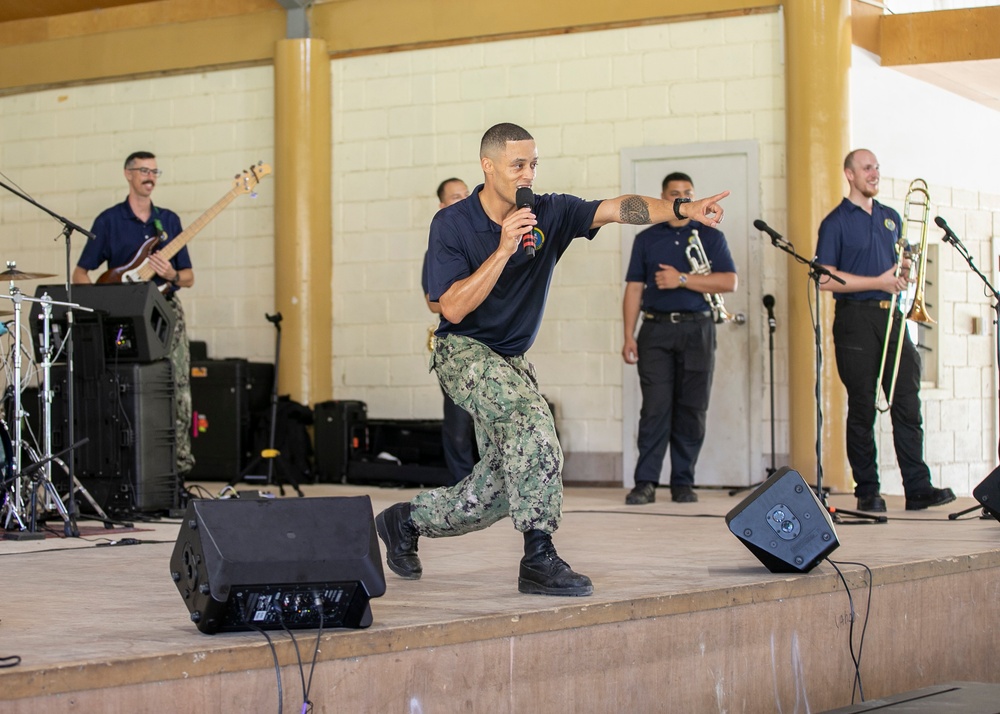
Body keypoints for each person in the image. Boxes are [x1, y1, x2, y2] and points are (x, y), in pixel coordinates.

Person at [376, 122, 729, 597]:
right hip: (462, 351)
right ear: (488, 166)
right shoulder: (453, 223)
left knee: (499, 488)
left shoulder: (550, 211)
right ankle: (538, 557)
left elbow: (620, 208)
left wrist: (683, 208)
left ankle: (405, 521)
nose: (528, 174)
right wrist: (503, 247)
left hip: (512, 357)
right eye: (517, 165)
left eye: (533, 164)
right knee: (533, 424)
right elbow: (453, 307)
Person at [815, 148, 954, 512]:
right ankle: (867, 490)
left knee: (908, 404)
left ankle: (917, 487)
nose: (874, 173)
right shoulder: (835, 222)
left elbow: (899, 264)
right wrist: (876, 280)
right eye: (866, 168)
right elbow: (825, 280)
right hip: (855, 319)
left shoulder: (892, 217)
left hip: (892, 318)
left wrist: (903, 273)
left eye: (876, 167)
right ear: (849, 174)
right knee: (862, 406)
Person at [72, 151, 196, 479]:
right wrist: (100, 305)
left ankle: (177, 472)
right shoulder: (109, 220)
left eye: (155, 171)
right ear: (128, 174)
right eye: (143, 170)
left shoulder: (168, 221)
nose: (150, 176)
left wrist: (170, 273)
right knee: (122, 385)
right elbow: (81, 273)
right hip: (122, 316)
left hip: (165, 311)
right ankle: (122, 468)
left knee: (178, 385)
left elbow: (189, 278)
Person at [622, 172, 737, 505]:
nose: (684, 199)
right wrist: (628, 335)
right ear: (664, 197)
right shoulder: (645, 239)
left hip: (698, 329)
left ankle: (683, 482)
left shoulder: (710, 236)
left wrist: (682, 279)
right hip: (655, 330)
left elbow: (729, 282)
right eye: (677, 194)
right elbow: (633, 288)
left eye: (689, 193)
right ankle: (645, 483)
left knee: (692, 408)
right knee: (655, 408)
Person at [422, 178, 479, 485]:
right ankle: (463, 485)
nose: (464, 200)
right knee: (458, 420)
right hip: (456, 344)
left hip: (489, 340)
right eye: (456, 197)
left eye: (467, 195)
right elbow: (435, 303)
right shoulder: (439, 246)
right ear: (442, 207)